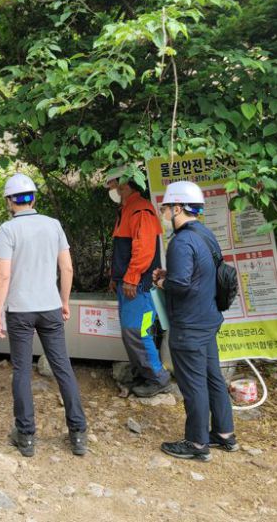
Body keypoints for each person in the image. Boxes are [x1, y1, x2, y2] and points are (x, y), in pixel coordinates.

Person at [0, 173, 88, 457]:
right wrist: (64, 301)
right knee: (62, 367)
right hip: (50, 307)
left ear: (10, 201)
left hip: (20, 311)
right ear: (33, 198)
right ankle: (78, 433)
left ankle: (26, 436)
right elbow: (67, 268)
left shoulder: (8, 229)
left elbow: (3, 275)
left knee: (21, 370)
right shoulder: (53, 225)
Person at [153, 181, 237, 461]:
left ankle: (197, 443)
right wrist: (171, 275)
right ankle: (224, 434)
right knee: (213, 376)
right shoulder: (204, 234)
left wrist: (162, 282)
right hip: (208, 319)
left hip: (189, 325)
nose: (164, 212)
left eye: (166, 207)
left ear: (178, 208)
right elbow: (201, 273)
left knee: (193, 383)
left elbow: (181, 285)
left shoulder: (180, 241)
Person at [106, 167, 171, 397]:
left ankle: (158, 378)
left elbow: (143, 250)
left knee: (137, 332)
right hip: (128, 285)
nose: (111, 190)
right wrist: (116, 278)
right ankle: (143, 374)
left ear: (124, 184)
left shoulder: (140, 210)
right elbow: (122, 250)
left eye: (113, 185)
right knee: (130, 332)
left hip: (139, 287)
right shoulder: (127, 210)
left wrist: (132, 279)